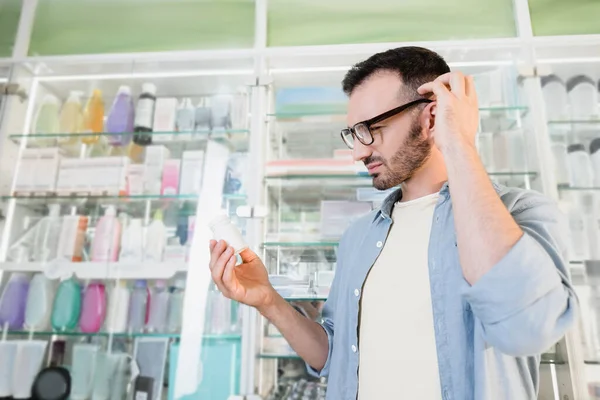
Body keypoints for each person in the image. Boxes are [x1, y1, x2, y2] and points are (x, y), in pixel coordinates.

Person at [209, 46, 578, 400]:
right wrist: (268, 300)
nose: (358, 151)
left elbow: (526, 328)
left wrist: (459, 143)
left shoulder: (520, 213)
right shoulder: (359, 236)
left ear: (431, 116)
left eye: (371, 128)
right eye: (353, 133)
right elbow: (334, 357)